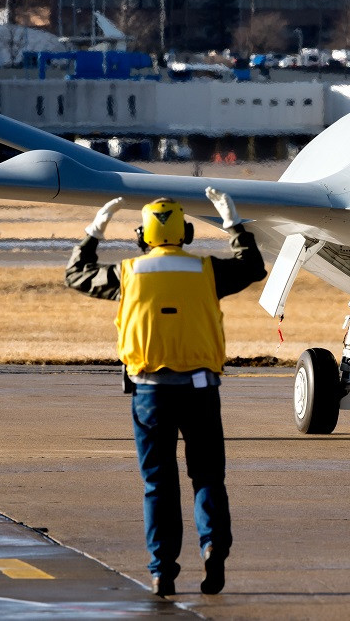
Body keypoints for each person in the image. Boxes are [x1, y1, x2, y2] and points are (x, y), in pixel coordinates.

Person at [65, 188, 266, 597]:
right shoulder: (206, 270)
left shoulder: (128, 273)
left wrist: (95, 230)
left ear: (142, 236)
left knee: (158, 483)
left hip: (150, 392)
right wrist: (233, 224)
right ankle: (213, 545)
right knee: (207, 476)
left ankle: (162, 571)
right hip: (201, 389)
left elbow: (76, 274)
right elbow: (253, 267)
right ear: (186, 233)